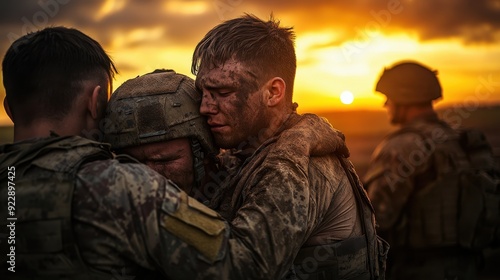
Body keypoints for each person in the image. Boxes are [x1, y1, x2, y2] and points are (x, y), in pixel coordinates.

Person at [0, 26, 330, 280]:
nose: (151, 171)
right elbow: (245, 265)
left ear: (10, 108)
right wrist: (295, 143)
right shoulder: (121, 187)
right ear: (94, 102)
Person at [191, 14, 388, 280]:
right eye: (202, 94)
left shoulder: (306, 165)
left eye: (223, 93)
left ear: (273, 92)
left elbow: (242, 268)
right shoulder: (251, 151)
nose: (205, 107)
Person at [363, 60, 499, 279]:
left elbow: (372, 220)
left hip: (418, 269)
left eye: (389, 98)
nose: (385, 104)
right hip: (470, 268)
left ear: (404, 98)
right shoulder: (463, 141)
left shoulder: (402, 146)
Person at [104, 69, 219, 201]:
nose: (148, 177)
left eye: (163, 160)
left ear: (203, 153)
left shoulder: (242, 195)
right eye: (132, 162)